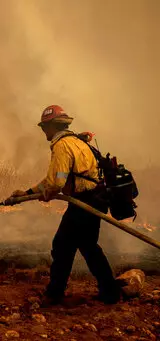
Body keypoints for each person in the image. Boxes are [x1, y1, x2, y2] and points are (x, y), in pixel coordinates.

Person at [10, 105, 121, 305]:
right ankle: (110, 291)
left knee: (62, 246)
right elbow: (54, 179)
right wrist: (27, 193)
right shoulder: (77, 141)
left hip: (83, 203)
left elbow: (57, 181)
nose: (43, 131)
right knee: (88, 247)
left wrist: (49, 193)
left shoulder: (61, 146)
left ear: (52, 126)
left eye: (44, 127)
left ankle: (55, 294)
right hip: (95, 199)